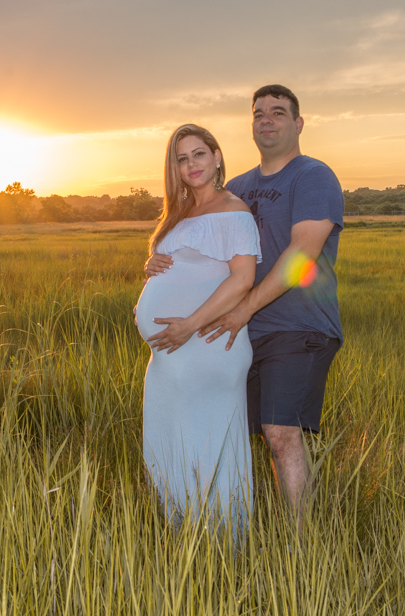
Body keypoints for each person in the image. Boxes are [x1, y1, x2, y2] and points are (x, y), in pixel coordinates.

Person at [145, 85, 344, 524]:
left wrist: (242, 310)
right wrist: (161, 260)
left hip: (298, 325)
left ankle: (303, 548)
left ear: (299, 123)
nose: (267, 120)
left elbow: (300, 257)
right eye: (259, 113)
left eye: (278, 112)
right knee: (238, 433)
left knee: (280, 432)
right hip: (237, 334)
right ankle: (238, 524)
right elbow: (205, 251)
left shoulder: (313, 176)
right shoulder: (237, 188)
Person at [134, 124, 261, 530]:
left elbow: (242, 279)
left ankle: (224, 546)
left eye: (199, 154)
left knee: (208, 445)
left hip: (205, 343)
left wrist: (189, 324)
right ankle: (185, 538)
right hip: (172, 354)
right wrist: (150, 267)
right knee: (170, 443)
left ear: (217, 156)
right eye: (182, 158)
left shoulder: (234, 211)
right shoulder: (179, 212)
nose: (191, 165)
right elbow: (183, 268)